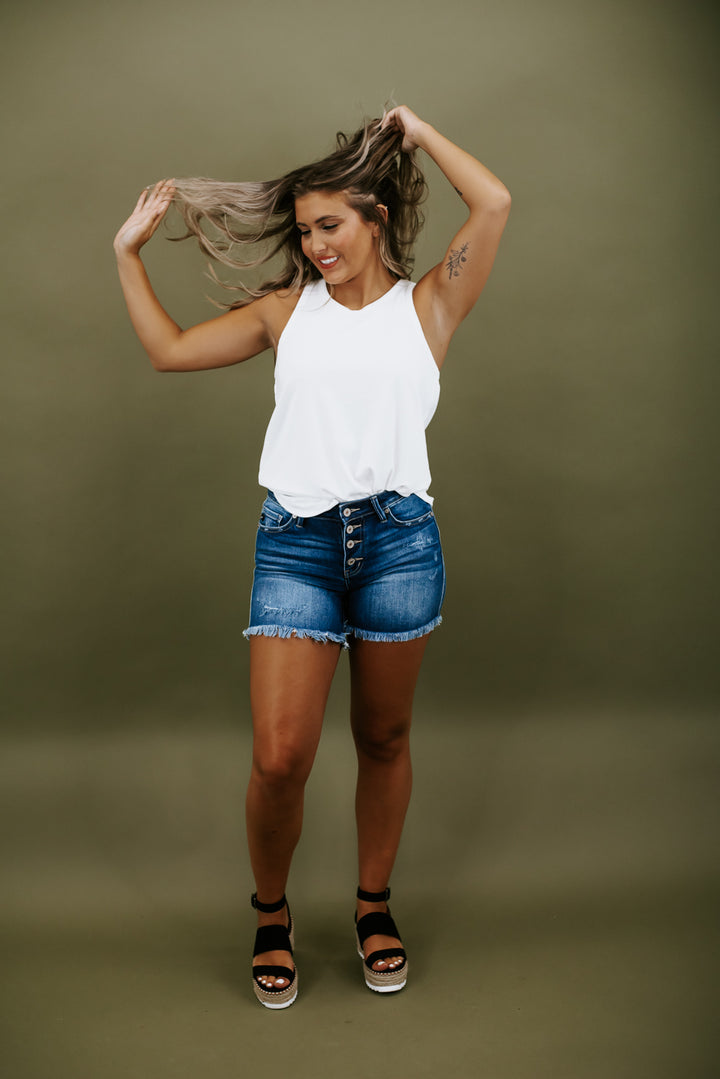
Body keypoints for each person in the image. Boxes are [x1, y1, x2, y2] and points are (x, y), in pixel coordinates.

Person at [113, 105, 511, 1009]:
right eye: (303, 231)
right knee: (280, 756)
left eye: (330, 225)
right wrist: (127, 256)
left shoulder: (430, 305)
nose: (316, 245)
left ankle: (374, 904)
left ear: (376, 218)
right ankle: (271, 912)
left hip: (400, 544)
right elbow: (169, 352)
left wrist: (419, 131)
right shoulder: (287, 312)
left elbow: (492, 202)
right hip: (297, 544)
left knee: (384, 737)